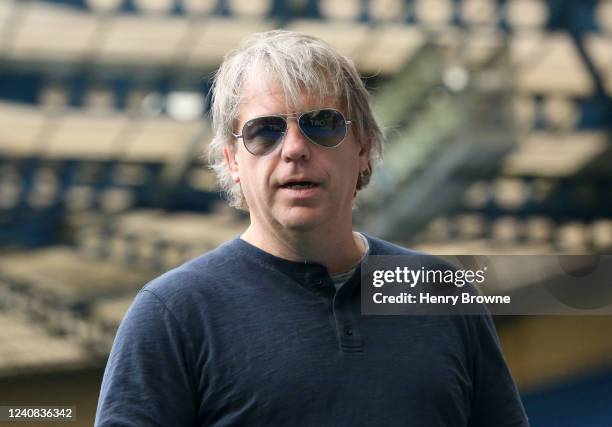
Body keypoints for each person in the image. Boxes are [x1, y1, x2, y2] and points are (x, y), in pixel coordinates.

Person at [95, 30, 529, 426]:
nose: (296, 149)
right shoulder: (172, 315)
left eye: (321, 125)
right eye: (265, 132)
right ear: (232, 160)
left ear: (365, 147)